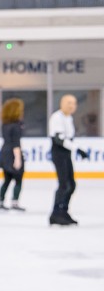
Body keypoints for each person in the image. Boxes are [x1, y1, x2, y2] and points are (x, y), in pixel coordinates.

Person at [49, 94, 87, 226]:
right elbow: (59, 139)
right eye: (69, 103)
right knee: (64, 184)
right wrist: (77, 149)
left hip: (66, 153)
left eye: (74, 103)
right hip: (59, 153)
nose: (72, 106)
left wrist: (75, 148)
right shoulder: (57, 117)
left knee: (71, 184)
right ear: (62, 103)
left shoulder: (68, 118)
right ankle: (55, 213)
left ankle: (63, 211)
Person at [0, 98, 25, 212]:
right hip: (13, 154)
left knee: (6, 180)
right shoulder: (17, 125)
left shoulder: (5, 124)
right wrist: (18, 159)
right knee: (18, 180)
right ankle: (15, 202)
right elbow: (16, 143)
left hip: (4, 152)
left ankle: (0, 201)